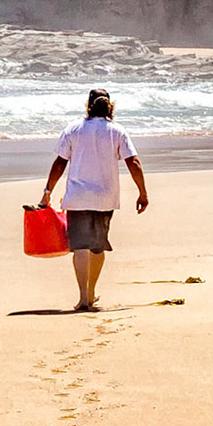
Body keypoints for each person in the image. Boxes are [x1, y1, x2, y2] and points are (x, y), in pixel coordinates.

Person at [38, 88, 147, 311]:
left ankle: (83, 298)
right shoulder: (117, 131)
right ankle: (92, 291)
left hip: (77, 197)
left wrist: (48, 191)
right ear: (110, 107)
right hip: (104, 198)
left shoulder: (73, 129)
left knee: (80, 247)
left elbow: (60, 163)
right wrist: (142, 192)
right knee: (97, 247)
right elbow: (133, 162)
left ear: (87, 106)